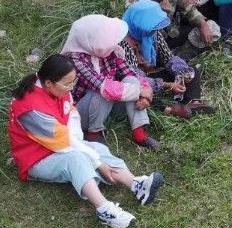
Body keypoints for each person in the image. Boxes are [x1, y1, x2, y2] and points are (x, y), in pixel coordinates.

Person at [7, 54, 164, 228]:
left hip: (60, 142)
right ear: (49, 83)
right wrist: (97, 163)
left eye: (73, 82)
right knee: (76, 159)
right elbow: (63, 143)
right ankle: (104, 209)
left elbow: (72, 116)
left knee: (96, 148)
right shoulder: (31, 108)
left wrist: (87, 150)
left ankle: (136, 184)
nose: (71, 88)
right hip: (37, 158)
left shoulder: (56, 86)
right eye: (67, 84)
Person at [61, 14, 161, 150]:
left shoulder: (110, 51)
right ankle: (93, 133)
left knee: (131, 80)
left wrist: (144, 91)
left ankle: (138, 132)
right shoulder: (74, 59)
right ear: (91, 38)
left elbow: (129, 72)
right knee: (102, 91)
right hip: (79, 113)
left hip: (105, 107)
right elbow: (100, 85)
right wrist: (139, 92)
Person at [120, 0, 215, 117]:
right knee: (141, 95)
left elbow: (168, 58)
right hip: (135, 80)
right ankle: (169, 109)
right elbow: (134, 78)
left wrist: (181, 73)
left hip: (151, 73)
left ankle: (193, 103)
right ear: (139, 23)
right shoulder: (125, 42)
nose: (155, 30)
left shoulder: (152, 33)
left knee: (192, 70)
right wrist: (165, 85)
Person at [125, 0, 219, 58]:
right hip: (151, 41)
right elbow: (139, 32)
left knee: (210, 27)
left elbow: (188, 8)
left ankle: (179, 54)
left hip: (173, 31)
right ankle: (170, 56)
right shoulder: (134, 0)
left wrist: (203, 24)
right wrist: (159, 13)